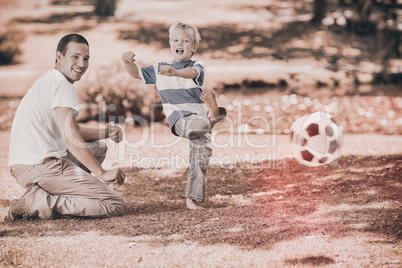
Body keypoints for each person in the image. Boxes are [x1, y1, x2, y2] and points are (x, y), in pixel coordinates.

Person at [7, 33, 126, 220]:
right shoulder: (62, 85)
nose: (81, 64)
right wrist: (101, 173)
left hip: (23, 165)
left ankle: (51, 190)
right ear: (59, 56)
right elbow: (70, 137)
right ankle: (41, 202)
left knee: (98, 148)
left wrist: (106, 132)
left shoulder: (50, 80)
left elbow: (71, 130)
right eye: (75, 57)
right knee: (113, 203)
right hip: (41, 165)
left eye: (86, 58)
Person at [122, 22, 226, 210]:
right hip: (180, 119)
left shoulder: (197, 65)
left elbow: (191, 73)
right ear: (170, 43)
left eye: (186, 41)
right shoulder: (160, 68)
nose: (180, 43)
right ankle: (215, 115)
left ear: (194, 47)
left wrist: (175, 72)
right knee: (193, 126)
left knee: (201, 156)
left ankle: (191, 200)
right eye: (176, 39)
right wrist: (127, 62)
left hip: (198, 118)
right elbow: (136, 74)